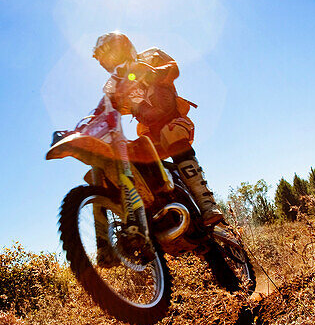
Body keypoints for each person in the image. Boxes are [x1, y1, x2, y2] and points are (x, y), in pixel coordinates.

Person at [92, 31, 225, 225]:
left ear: (125, 47)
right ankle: (151, 218)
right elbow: (104, 108)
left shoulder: (151, 56)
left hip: (174, 121)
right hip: (149, 135)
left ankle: (206, 203)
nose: (112, 60)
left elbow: (174, 69)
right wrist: (89, 124)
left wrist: (150, 72)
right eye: (106, 58)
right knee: (129, 158)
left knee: (170, 133)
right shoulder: (113, 85)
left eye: (114, 53)